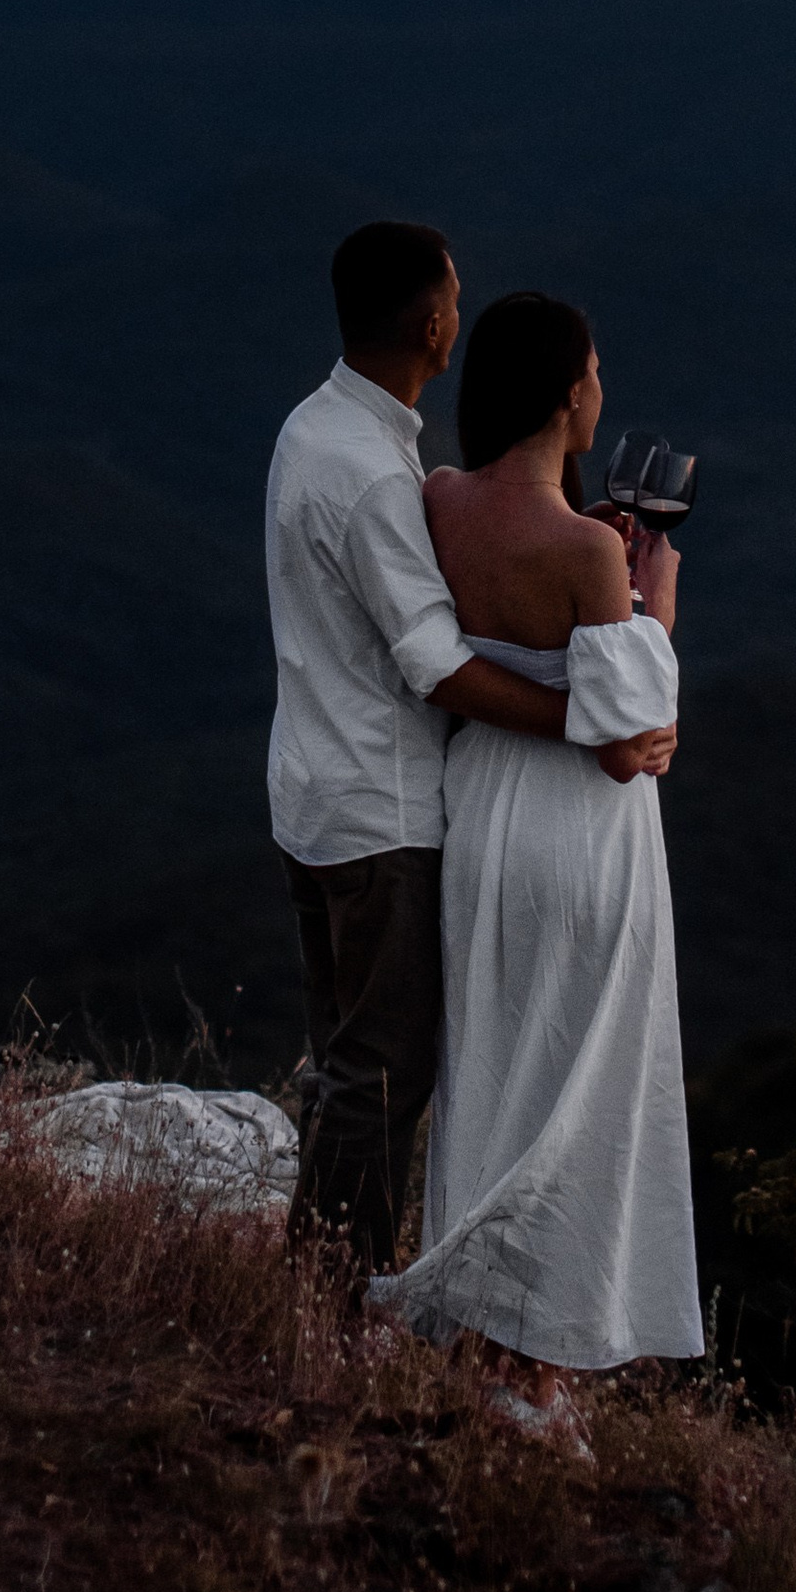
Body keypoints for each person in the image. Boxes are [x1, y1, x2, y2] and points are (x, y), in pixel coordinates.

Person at [366, 289, 701, 1446]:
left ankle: (472, 1331)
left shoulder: (439, 501)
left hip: (481, 812)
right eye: (595, 369)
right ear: (572, 395)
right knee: (580, 1084)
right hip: (576, 835)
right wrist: (653, 611)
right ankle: (534, 1371)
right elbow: (623, 748)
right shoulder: (589, 555)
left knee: (496, 1065)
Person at [267, 222, 611, 1270]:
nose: (460, 312)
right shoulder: (374, 475)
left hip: (310, 791)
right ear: (432, 324)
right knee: (383, 1073)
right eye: (455, 298)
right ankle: (335, 1299)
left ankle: (310, 1285)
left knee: (345, 1063)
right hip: (384, 810)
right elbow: (432, 661)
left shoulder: (312, 426)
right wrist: (585, 721)